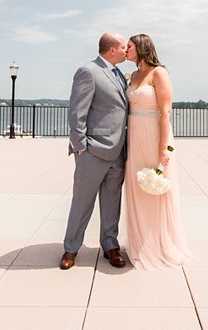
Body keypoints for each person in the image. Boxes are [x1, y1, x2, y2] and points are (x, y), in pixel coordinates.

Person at [60, 33, 129, 270]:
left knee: (112, 202)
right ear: (111, 50)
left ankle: (110, 245)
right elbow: (76, 111)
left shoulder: (119, 74)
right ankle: (71, 248)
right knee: (82, 202)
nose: (126, 50)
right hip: (92, 151)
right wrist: (80, 147)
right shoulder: (88, 71)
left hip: (118, 152)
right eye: (123, 46)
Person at [124, 33, 192, 270]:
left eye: (129, 46)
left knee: (155, 188)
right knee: (136, 186)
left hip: (154, 134)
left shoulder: (159, 73)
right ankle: (138, 243)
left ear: (141, 48)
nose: (125, 49)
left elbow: (165, 113)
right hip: (134, 135)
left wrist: (164, 148)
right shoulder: (133, 75)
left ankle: (160, 244)